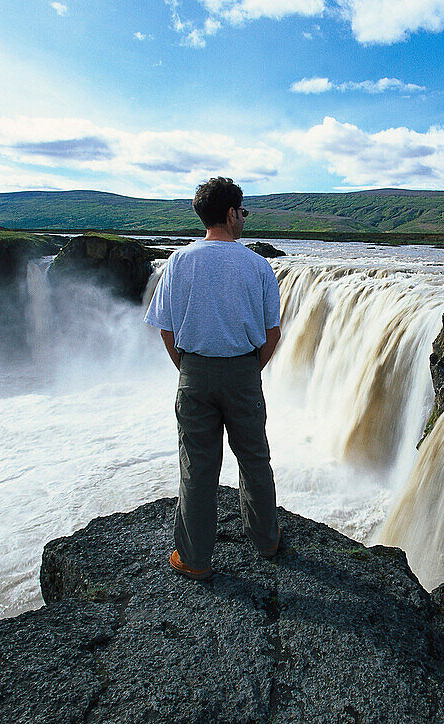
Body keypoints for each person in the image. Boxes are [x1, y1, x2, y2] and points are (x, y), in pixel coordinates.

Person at [144, 177, 283, 581]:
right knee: (255, 458)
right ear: (230, 213)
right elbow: (272, 332)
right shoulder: (257, 265)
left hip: (194, 372)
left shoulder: (179, 262)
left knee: (198, 466)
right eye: (242, 210)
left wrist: (187, 369)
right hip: (243, 370)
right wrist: (250, 370)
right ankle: (266, 540)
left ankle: (195, 559)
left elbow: (165, 328)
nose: (244, 218)